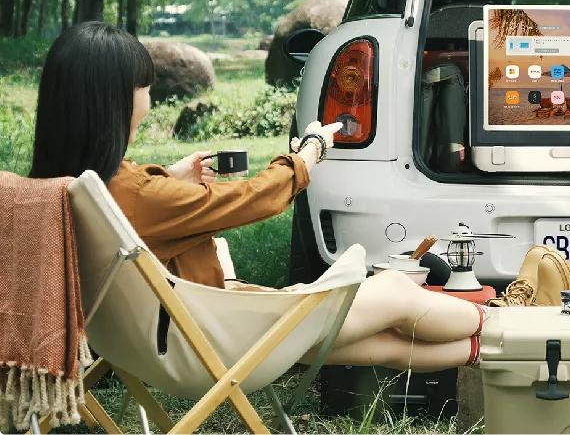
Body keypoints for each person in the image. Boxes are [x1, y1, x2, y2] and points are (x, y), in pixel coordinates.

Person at [30, 22, 487, 371]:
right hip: (215, 339)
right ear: (116, 100)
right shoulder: (135, 194)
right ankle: (508, 326)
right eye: (143, 88)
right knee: (393, 288)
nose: (148, 99)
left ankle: (488, 348)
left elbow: (139, 201)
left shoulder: (70, 185)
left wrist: (167, 178)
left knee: (369, 340)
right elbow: (248, 198)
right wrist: (309, 154)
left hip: (168, 343)